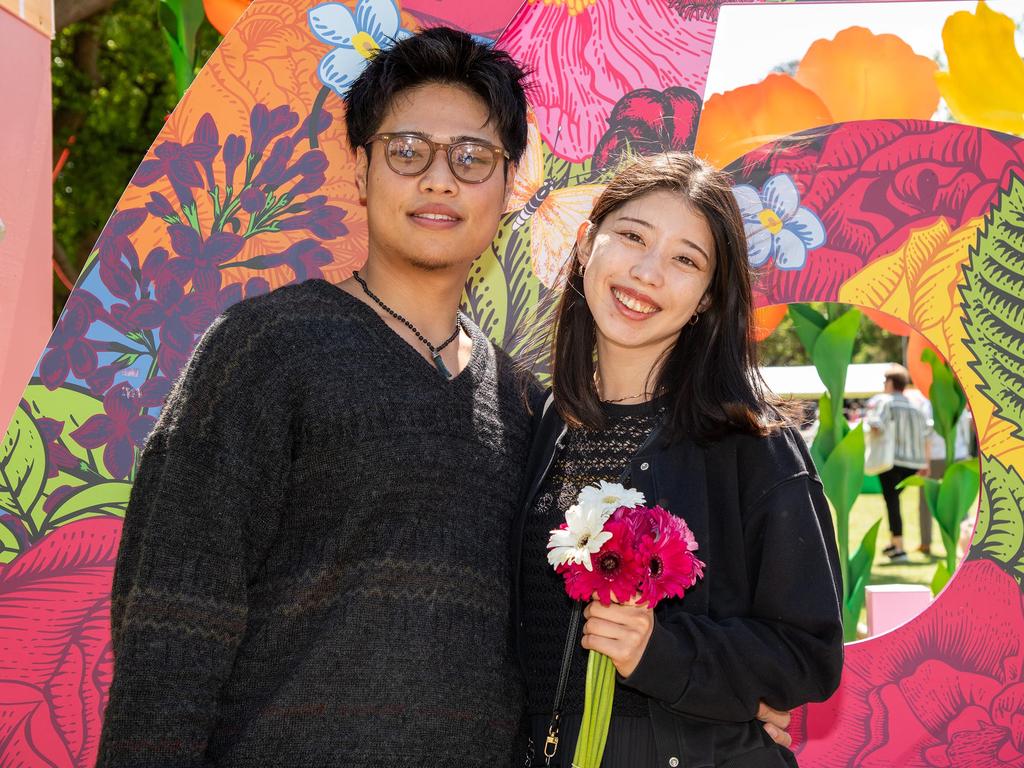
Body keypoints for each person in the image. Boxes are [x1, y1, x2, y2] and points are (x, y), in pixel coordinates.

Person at [96, 27, 538, 766]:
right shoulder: (264, 348)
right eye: (407, 151)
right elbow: (170, 619)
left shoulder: (525, 406)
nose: (439, 180)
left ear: (509, 183)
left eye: (472, 158)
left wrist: (730, 689)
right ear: (359, 169)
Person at [512, 153, 844, 767]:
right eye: (633, 236)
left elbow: (808, 656)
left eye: (685, 259)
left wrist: (663, 653)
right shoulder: (543, 427)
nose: (647, 272)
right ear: (586, 244)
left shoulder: (754, 447)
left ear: (708, 299)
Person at [866, 364, 930, 563]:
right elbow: (927, 435)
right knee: (894, 500)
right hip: (914, 463)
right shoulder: (916, 406)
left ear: (891, 383)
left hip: (891, 461)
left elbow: (875, 425)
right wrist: (925, 463)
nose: (884, 385)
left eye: (885, 381)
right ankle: (895, 542)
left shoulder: (885, 402)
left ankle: (899, 547)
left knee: (892, 501)